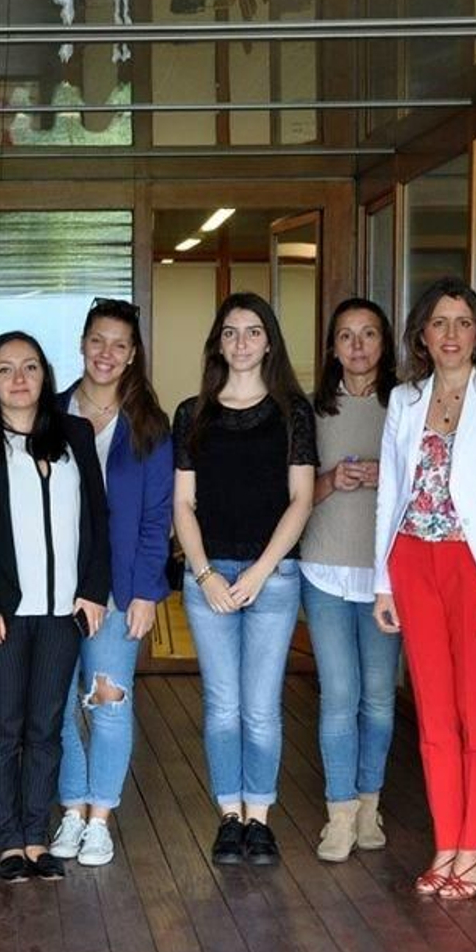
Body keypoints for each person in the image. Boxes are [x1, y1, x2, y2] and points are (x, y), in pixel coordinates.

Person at [372, 278, 476, 901]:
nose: (450, 334)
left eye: (462, 322)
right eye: (439, 322)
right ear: (421, 333)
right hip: (413, 559)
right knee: (434, 713)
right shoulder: (406, 398)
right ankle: (447, 843)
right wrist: (384, 580)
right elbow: (392, 490)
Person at [0, 331, 110, 883]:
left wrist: (94, 588)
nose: (19, 379)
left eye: (29, 368)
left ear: (45, 374)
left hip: (63, 610)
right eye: (4, 370)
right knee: (2, 726)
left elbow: (97, 518)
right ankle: (8, 840)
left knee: (47, 725)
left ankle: (37, 836)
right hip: (2, 612)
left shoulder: (74, 433)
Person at [172, 293, 317, 867]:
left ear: (269, 341)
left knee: (260, 707)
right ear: (218, 343)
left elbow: (302, 500)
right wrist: (203, 571)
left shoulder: (292, 412)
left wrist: (258, 572)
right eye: (230, 332)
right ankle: (228, 816)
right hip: (208, 577)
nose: (241, 343)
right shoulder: (192, 413)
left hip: (273, 578)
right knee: (222, 706)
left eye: (252, 332)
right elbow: (184, 504)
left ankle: (260, 818)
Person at [49, 298, 172, 867]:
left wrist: (146, 591)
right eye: (98, 340)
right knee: (59, 704)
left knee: (107, 700)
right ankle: (71, 811)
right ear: (82, 343)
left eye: (119, 344)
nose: (106, 353)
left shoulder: (148, 425)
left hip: (121, 590)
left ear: (132, 355)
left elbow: (157, 516)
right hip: (51, 588)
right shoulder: (50, 413)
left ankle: (101, 817)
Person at [301, 298, 401, 862]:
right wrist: (332, 479)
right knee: (339, 696)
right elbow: (291, 496)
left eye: (368, 334)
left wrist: (389, 479)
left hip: (387, 575)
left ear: (384, 344)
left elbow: (426, 486)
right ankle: (338, 814)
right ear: (333, 346)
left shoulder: (406, 405)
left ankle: (370, 805)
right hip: (324, 569)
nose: (358, 345)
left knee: (380, 700)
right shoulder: (313, 410)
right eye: (346, 335)